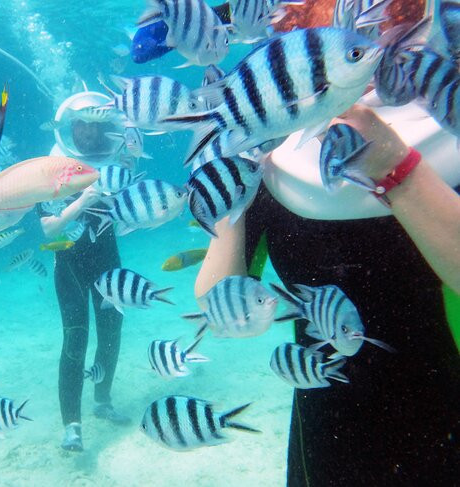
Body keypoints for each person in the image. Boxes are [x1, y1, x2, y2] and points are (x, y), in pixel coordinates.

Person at [195, 103, 460, 485]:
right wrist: (229, 178)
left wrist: (394, 165)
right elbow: (215, 301)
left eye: (382, 38)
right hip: (325, 416)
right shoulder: (275, 167)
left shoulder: (448, 131)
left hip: (447, 407)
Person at [39, 90, 131, 452]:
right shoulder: (52, 164)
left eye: (95, 127)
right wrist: (83, 199)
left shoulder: (117, 159)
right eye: (80, 126)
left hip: (108, 259)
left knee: (112, 330)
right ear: (70, 127)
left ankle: (103, 401)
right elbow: (48, 229)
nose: (87, 134)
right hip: (70, 266)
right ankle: (72, 426)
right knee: (75, 338)